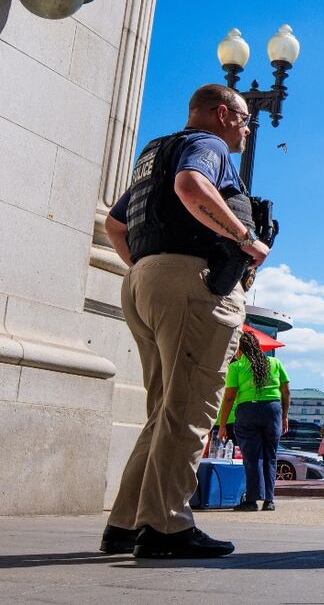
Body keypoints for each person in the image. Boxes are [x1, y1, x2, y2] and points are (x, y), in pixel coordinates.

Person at [99, 84, 269, 558]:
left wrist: (149, 266)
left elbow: (115, 224)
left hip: (144, 280)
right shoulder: (207, 144)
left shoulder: (157, 152)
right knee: (189, 410)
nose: (247, 128)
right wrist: (245, 237)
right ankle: (166, 526)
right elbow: (191, 185)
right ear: (222, 113)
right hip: (191, 282)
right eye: (243, 118)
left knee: (164, 412)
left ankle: (127, 524)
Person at [217, 331, 290, 511]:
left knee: (252, 457)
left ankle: (252, 500)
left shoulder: (236, 366)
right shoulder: (275, 363)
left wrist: (223, 424)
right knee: (270, 456)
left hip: (247, 411)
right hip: (272, 410)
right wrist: (285, 416)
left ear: (240, 348)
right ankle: (269, 500)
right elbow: (286, 391)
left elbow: (229, 397)